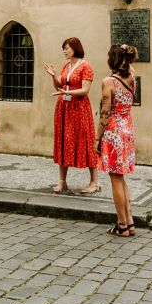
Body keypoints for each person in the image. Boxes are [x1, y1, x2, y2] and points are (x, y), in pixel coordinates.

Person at [43, 37, 99, 194]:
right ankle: (62, 181)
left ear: (75, 48)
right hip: (64, 107)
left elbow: (85, 90)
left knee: (85, 140)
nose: (64, 51)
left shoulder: (86, 66)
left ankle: (94, 182)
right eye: (64, 48)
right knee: (63, 140)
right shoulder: (66, 66)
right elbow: (59, 85)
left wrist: (68, 92)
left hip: (79, 108)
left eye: (66, 48)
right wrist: (53, 76)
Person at [95, 44, 137, 237]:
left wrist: (97, 138)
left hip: (113, 132)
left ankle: (122, 225)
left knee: (115, 179)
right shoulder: (132, 76)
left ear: (112, 59)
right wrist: (127, 50)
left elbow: (105, 113)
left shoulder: (108, 82)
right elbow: (132, 59)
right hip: (127, 128)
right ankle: (129, 222)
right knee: (121, 178)